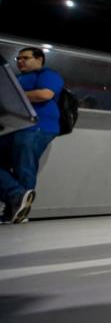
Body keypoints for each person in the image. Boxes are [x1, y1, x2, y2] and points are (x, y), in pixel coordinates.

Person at [0, 47, 63, 224]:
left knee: (24, 166)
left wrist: (12, 96)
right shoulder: (15, 78)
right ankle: (16, 197)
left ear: (39, 59)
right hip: (11, 127)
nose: (20, 61)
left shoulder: (47, 74)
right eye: (18, 59)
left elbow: (44, 94)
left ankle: (16, 210)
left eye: (25, 58)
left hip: (37, 126)